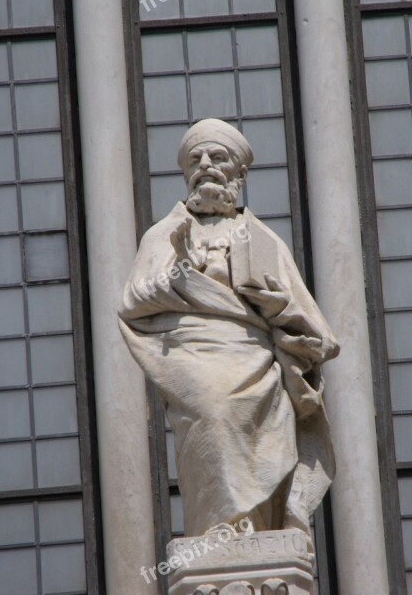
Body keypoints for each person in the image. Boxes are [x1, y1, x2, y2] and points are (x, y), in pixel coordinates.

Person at [118, 119, 339, 539]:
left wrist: (277, 306)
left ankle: (256, 540)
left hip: (259, 364)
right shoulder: (162, 236)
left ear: (239, 174)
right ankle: (218, 539)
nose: (206, 166)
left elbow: (316, 334)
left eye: (218, 158)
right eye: (196, 160)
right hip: (191, 357)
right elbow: (134, 301)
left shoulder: (264, 240)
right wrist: (184, 274)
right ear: (186, 174)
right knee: (213, 417)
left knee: (262, 447)